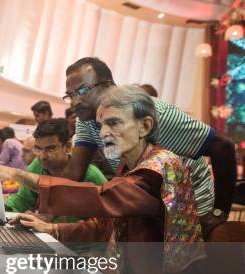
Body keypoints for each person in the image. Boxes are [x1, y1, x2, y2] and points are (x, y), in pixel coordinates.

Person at [0, 86, 205, 274]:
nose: (105, 132)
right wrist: (52, 227)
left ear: (145, 126)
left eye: (114, 123)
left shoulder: (160, 168)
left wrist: (16, 174)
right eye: (101, 125)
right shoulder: (131, 165)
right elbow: (109, 224)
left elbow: (101, 198)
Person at [60, 57, 236, 236]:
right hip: (148, 203)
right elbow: (75, 171)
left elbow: (223, 147)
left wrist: (219, 213)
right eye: (70, 95)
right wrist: (44, 214)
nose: (75, 102)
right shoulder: (87, 117)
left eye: (82, 91)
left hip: (191, 205)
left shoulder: (156, 113)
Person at [4, 119, 106, 219]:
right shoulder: (37, 165)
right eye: (38, 149)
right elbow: (24, 199)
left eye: (50, 149)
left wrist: (48, 224)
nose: (42, 156)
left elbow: (102, 222)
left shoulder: (90, 175)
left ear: (67, 147)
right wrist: (4, 207)